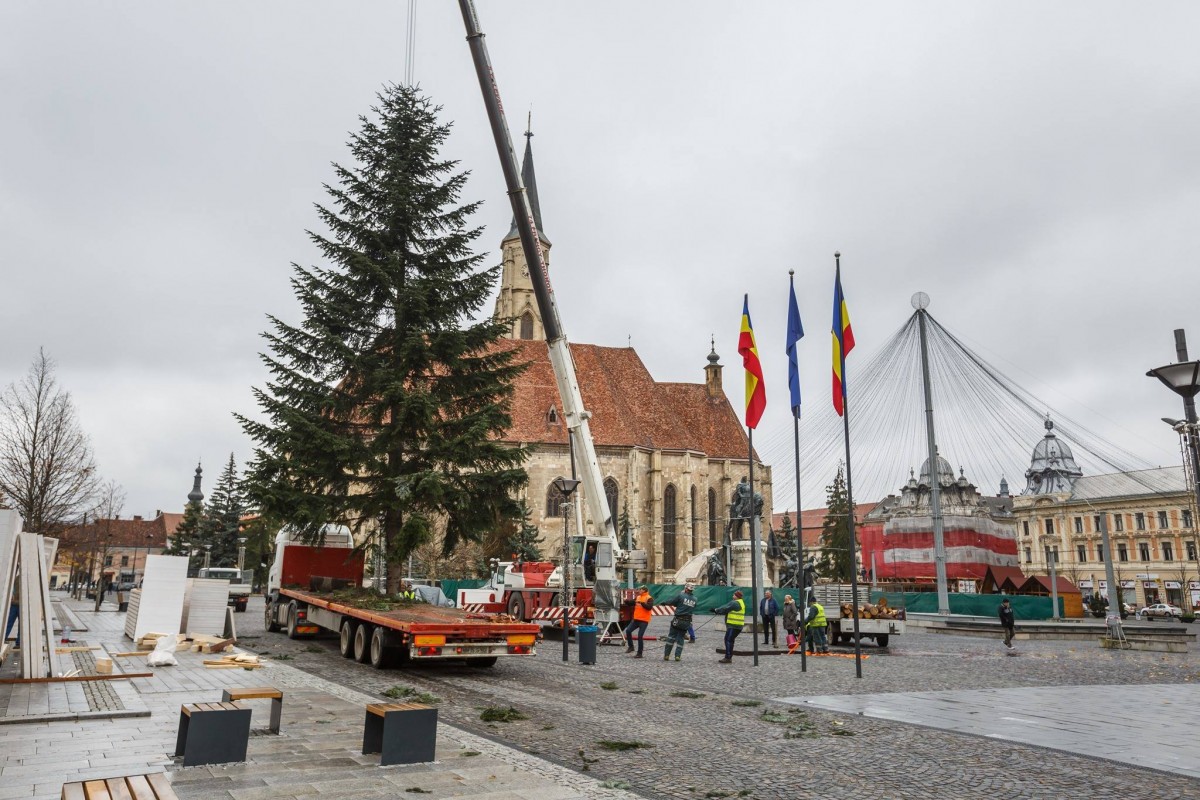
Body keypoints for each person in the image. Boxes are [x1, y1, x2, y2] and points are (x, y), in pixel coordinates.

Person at [663, 582, 698, 661]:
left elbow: (672, 602)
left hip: (677, 620)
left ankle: (666, 655)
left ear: (686, 588)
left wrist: (665, 603)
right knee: (681, 638)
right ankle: (677, 656)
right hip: (687, 622)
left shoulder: (681, 595)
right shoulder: (695, 599)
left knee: (671, 637)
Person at [712, 589, 746, 663]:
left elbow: (725, 608)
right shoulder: (741, 602)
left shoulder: (735, 603)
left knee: (728, 640)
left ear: (737, 596)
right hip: (738, 625)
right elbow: (727, 608)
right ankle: (729, 656)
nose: (733, 596)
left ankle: (728, 657)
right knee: (730, 640)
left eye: (734, 594)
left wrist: (716, 610)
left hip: (733, 625)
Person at [623, 586, 654, 658]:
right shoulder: (638, 597)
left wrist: (642, 603)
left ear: (644, 590)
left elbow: (649, 607)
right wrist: (626, 601)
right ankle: (631, 647)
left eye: (640, 589)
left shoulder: (649, 598)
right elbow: (631, 603)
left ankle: (640, 653)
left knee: (640, 636)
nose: (639, 591)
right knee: (628, 631)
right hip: (636, 619)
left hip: (644, 620)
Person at [4, 582, 19, 650]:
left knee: (9, 623)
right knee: (9, 623)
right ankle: (3, 638)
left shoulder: (17, 578)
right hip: (15, 604)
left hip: (19, 604)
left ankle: (19, 643)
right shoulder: (16, 579)